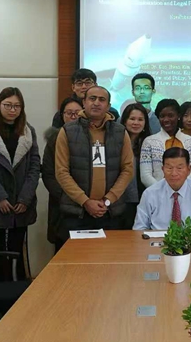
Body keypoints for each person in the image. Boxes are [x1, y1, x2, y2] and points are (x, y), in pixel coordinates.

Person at [55, 86, 134, 239]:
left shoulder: (120, 132)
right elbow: (61, 171)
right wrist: (85, 201)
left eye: (102, 100)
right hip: (77, 212)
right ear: (84, 102)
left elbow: (128, 169)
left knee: (109, 254)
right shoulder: (67, 131)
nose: (96, 103)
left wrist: (108, 200)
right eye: (92, 98)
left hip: (110, 212)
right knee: (78, 254)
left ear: (108, 106)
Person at [0, 87, 40, 281]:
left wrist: (25, 198)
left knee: (17, 250)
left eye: (17, 106)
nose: (12, 110)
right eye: (8, 105)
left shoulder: (28, 131)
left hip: (21, 203)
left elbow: (34, 167)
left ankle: (18, 291)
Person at [134, 148, 191, 230]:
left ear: (189, 169)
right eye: (169, 168)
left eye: (179, 168)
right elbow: (139, 228)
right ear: (162, 169)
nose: (174, 173)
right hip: (159, 239)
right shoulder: (150, 193)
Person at [42, 97, 82, 253]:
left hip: (88, 206)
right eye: (69, 113)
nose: (73, 116)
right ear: (62, 116)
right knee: (62, 251)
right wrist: (68, 197)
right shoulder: (54, 140)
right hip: (61, 205)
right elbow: (48, 174)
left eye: (77, 113)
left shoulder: (93, 138)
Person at [140, 99, 191, 188]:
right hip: (157, 192)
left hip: (186, 192)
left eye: (170, 115)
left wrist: (181, 190)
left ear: (178, 116)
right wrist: (162, 191)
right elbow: (145, 175)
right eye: (162, 116)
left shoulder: (190, 141)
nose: (166, 120)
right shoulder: (149, 142)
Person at [120, 103, 152, 229]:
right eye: (132, 119)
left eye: (140, 119)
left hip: (144, 198)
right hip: (121, 199)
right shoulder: (116, 142)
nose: (136, 123)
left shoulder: (150, 143)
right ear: (125, 121)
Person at [52, 69, 119, 128]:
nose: (84, 87)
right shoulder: (64, 113)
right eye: (79, 83)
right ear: (73, 87)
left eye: (88, 83)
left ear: (95, 85)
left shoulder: (111, 113)